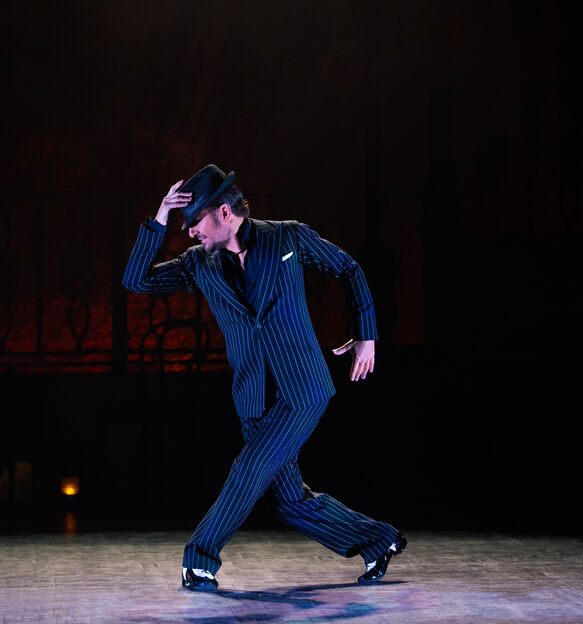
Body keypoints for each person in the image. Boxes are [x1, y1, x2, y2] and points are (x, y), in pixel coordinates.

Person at [122, 164, 406, 591]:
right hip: (253, 396)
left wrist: (366, 335)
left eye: (194, 221)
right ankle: (380, 541)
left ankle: (199, 560)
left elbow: (348, 268)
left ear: (223, 212)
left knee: (248, 469)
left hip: (302, 388)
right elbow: (136, 281)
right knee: (290, 501)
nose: (190, 232)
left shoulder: (287, 237)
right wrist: (159, 218)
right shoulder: (198, 264)